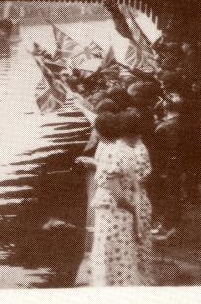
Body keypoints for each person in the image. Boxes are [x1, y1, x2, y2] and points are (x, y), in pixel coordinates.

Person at [77, 107, 153, 286]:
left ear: (100, 132)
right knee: (123, 252)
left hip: (113, 210)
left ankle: (109, 286)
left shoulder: (113, 152)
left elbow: (116, 192)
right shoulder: (125, 149)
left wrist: (132, 210)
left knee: (109, 252)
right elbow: (128, 180)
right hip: (124, 208)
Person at [151, 93, 186, 239]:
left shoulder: (163, 127)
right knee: (175, 195)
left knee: (168, 197)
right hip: (179, 166)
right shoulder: (184, 123)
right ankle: (172, 225)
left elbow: (158, 152)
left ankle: (167, 226)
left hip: (166, 168)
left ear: (165, 108)